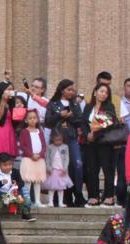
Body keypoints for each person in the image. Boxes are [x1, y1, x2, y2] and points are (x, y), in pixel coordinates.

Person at [45, 79, 85, 207]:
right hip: (57, 139)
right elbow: (47, 121)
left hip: (71, 138)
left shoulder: (74, 104)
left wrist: (71, 116)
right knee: (59, 167)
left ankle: (78, 193)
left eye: (73, 90)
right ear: (62, 90)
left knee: (77, 164)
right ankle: (59, 197)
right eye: (69, 89)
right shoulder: (53, 103)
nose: (71, 92)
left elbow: (80, 120)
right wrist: (59, 115)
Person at [82, 83, 120, 206]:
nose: (103, 94)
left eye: (106, 92)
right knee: (92, 169)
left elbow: (111, 121)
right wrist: (87, 134)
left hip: (104, 142)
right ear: (95, 92)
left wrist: (96, 132)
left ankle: (109, 196)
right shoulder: (88, 107)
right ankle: (93, 196)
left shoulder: (109, 106)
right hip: (90, 143)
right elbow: (83, 122)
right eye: (101, 91)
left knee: (107, 169)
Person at [0, 153, 35, 221]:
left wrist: (16, 185)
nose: (8, 167)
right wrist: (1, 182)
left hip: (13, 194)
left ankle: (26, 213)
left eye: (10, 164)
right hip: (0, 195)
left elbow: (21, 182)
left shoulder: (15, 172)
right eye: (5, 165)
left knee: (24, 189)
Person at [18, 110, 47, 207]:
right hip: (29, 159)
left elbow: (44, 145)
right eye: (30, 118)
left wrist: (40, 154)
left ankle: (37, 201)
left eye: (34, 118)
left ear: (37, 119)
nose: (32, 120)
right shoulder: (24, 132)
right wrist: (31, 155)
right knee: (28, 181)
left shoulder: (40, 131)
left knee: (37, 181)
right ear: (26, 120)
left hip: (39, 159)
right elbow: (23, 146)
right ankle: (27, 201)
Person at [0, 80, 18, 159]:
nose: (10, 91)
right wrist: (3, 101)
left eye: (12, 89)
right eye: (8, 89)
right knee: (0, 157)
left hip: (10, 130)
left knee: (9, 158)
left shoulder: (12, 102)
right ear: (2, 90)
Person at [43, 132, 73, 207]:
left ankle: (60, 202)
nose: (58, 142)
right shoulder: (50, 147)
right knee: (51, 187)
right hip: (52, 170)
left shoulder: (65, 147)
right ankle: (50, 202)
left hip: (61, 171)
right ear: (53, 139)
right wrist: (48, 168)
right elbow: (47, 159)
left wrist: (65, 168)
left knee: (61, 187)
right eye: (56, 140)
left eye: (60, 140)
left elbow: (67, 158)